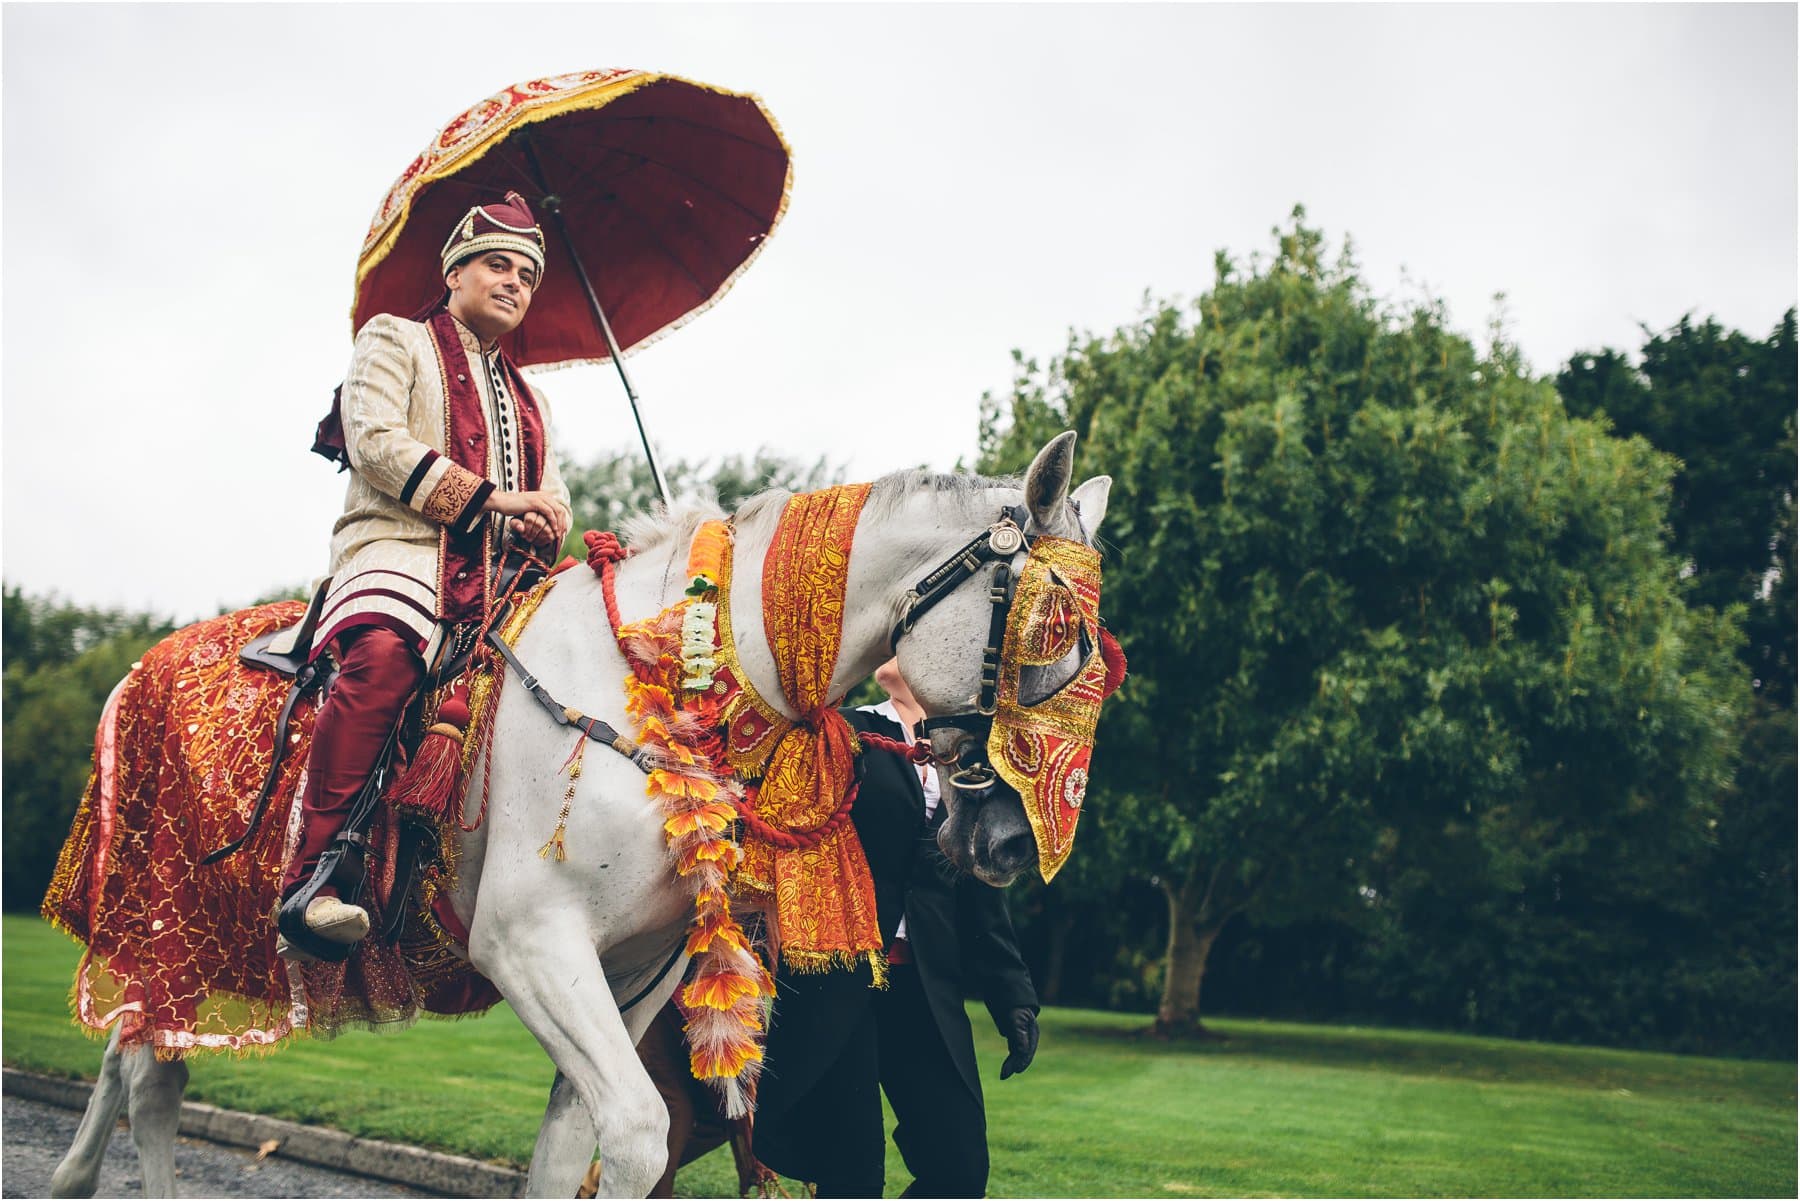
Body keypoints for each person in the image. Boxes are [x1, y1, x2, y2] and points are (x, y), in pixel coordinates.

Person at [276, 191, 572, 960]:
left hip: (502, 581)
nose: (514, 283)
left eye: (527, 276)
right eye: (497, 266)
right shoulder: (394, 338)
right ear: (455, 273)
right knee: (383, 660)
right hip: (398, 549)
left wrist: (551, 518)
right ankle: (319, 876)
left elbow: (557, 494)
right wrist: (496, 499)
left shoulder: (532, 397)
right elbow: (372, 440)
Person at [752, 659, 1040, 1198]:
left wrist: (1013, 998)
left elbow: (981, 888)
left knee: (958, 1168)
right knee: (851, 1173)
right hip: (841, 979)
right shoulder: (847, 733)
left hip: (925, 988)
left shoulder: (977, 758)